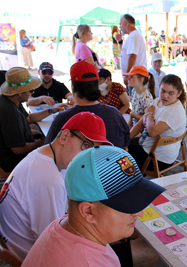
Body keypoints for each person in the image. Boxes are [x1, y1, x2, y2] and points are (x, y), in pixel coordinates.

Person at [22, 146, 165, 267]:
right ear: (88, 211)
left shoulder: (65, 224)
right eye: (127, 205)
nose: (140, 212)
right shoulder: (87, 262)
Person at [0, 112, 112, 261]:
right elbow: (55, 241)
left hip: (18, 242)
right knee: (140, 249)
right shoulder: (49, 180)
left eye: (94, 150)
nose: (88, 156)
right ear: (65, 136)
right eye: (86, 145)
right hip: (33, 256)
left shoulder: (45, 155)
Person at [45, 61, 130, 149]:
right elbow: (125, 147)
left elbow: (48, 151)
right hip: (112, 162)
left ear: (73, 87)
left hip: (77, 163)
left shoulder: (63, 118)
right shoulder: (114, 113)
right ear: (97, 86)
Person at [0, 67, 66, 172]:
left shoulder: (11, 100)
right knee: (53, 158)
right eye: (31, 90)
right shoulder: (10, 113)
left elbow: (29, 118)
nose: (32, 92)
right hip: (10, 160)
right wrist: (39, 144)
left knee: (44, 135)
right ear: (20, 92)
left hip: (18, 145)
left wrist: (51, 110)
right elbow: (18, 150)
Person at [128, 74, 187, 171]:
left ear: (179, 93)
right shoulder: (158, 101)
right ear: (159, 87)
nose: (165, 96)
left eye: (170, 93)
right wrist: (128, 137)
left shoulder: (174, 111)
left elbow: (152, 132)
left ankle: (132, 179)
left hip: (160, 158)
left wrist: (149, 114)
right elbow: (143, 120)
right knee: (124, 143)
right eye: (163, 91)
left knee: (122, 154)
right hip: (150, 146)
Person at [116, 14, 147, 88]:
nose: (120, 27)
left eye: (121, 24)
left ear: (126, 23)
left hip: (134, 78)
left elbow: (132, 57)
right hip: (134, 77)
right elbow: (125, 54)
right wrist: (120, 41)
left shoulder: (134, 36)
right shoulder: (133, 35)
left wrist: (127, 75)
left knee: (134, 98)